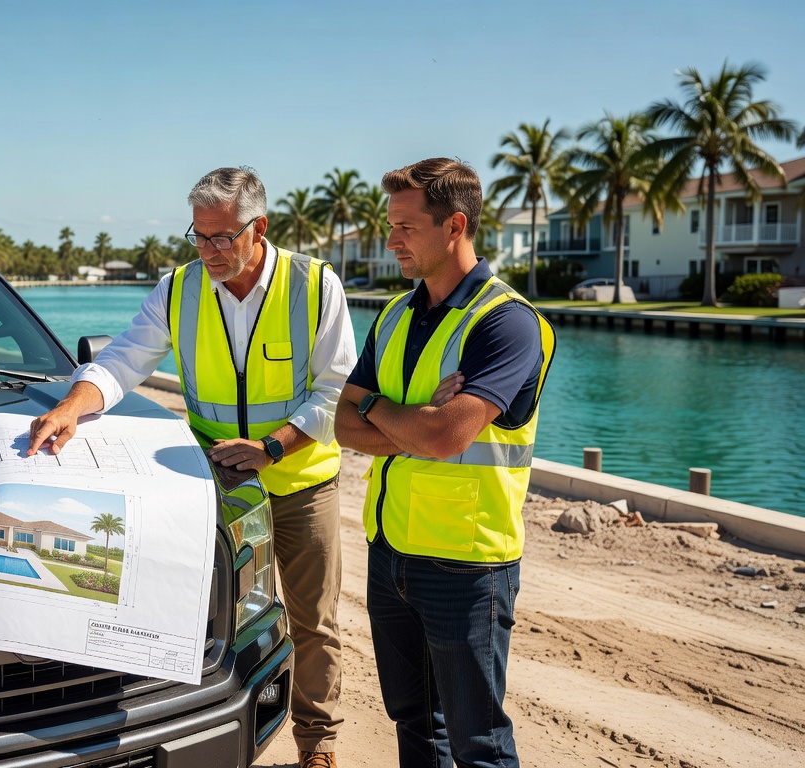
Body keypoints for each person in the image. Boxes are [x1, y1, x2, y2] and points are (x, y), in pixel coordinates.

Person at [28, 166, 357, 768]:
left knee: (313, 621)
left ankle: (318, 743)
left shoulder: (315, 286)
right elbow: (124, 359)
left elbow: (338, 393)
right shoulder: (178, 289)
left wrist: (273, 448)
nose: (208, 251)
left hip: (300, 480)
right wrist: (74, 405)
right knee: (203, 613)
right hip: (215, 483)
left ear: (259, 228)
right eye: (199, 237)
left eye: (222, 238)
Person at [334, 158, 556, 768]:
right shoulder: (395, 315)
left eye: (405, 227)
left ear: (454, 224)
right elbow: (343, 423)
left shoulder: (507, 324)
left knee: (478, 744)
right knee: (413, 725)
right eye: (391, 225)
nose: (390, 240)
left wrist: (385, 410)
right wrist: (405, 414)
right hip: (390, 554)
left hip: (468, 565)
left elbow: (446, 435)